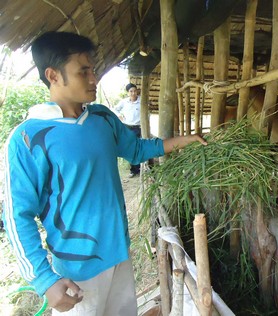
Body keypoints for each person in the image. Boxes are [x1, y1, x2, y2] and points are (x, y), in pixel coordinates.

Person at [2, 31, 206, 315]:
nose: (93, 79)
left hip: (119, 254)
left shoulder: (102, 118)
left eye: (93, 70)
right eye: (83, 71)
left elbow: (136, 149)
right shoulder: (28, 137)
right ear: (53, 75)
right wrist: (44, 278)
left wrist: (181, 141)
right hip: (77, 271)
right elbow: (16, 215)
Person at [115, 83, 143, 178]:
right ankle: (134, 170)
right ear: (128, 93)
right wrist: (120, 115)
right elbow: (115, 109)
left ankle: (140, 168)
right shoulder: (124, 102)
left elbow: (147, 113)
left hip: (138, 127)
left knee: (138, 147)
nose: (133, 93)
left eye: (135, 91)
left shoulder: (141, 101)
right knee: (130, 148)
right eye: (131, 91)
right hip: (127, 127)